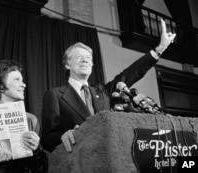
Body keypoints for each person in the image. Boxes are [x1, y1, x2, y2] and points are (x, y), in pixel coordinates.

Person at [41, 18, 176, 153]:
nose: (85, 60)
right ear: (67, 64)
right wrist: (63, 137)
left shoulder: (102, 92)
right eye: (79, 57)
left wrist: (159, 49)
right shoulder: (55, 95)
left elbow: (130, 73)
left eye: (88, 58)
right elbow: (47, 139)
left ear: (92, 65)